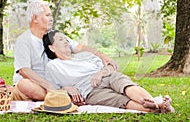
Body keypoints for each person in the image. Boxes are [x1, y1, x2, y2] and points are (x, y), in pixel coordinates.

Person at [12, 1, 119, 104]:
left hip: (56, 84)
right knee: (25, 84)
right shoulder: (24, 40)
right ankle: (63, 96)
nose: (51, 19)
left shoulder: (54, 35)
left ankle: (63, 95)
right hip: (38, 84)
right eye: (47, 15)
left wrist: (103, 56)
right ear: (35, 18)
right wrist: (51, 87)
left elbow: (80, 48)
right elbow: (24, 71)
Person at [43, 30, 175, 113]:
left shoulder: (85, 55)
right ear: (52, 47)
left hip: (107, 77)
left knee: (122, 82)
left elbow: (112, 67)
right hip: (90, 92)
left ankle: (155, 101)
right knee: (120, 101)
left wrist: (103, 72)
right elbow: (52, 90)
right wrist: (67, 88)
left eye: (66, 39)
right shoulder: (53, 66)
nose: (66, 41)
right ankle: (159, 106)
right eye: (61, 39)